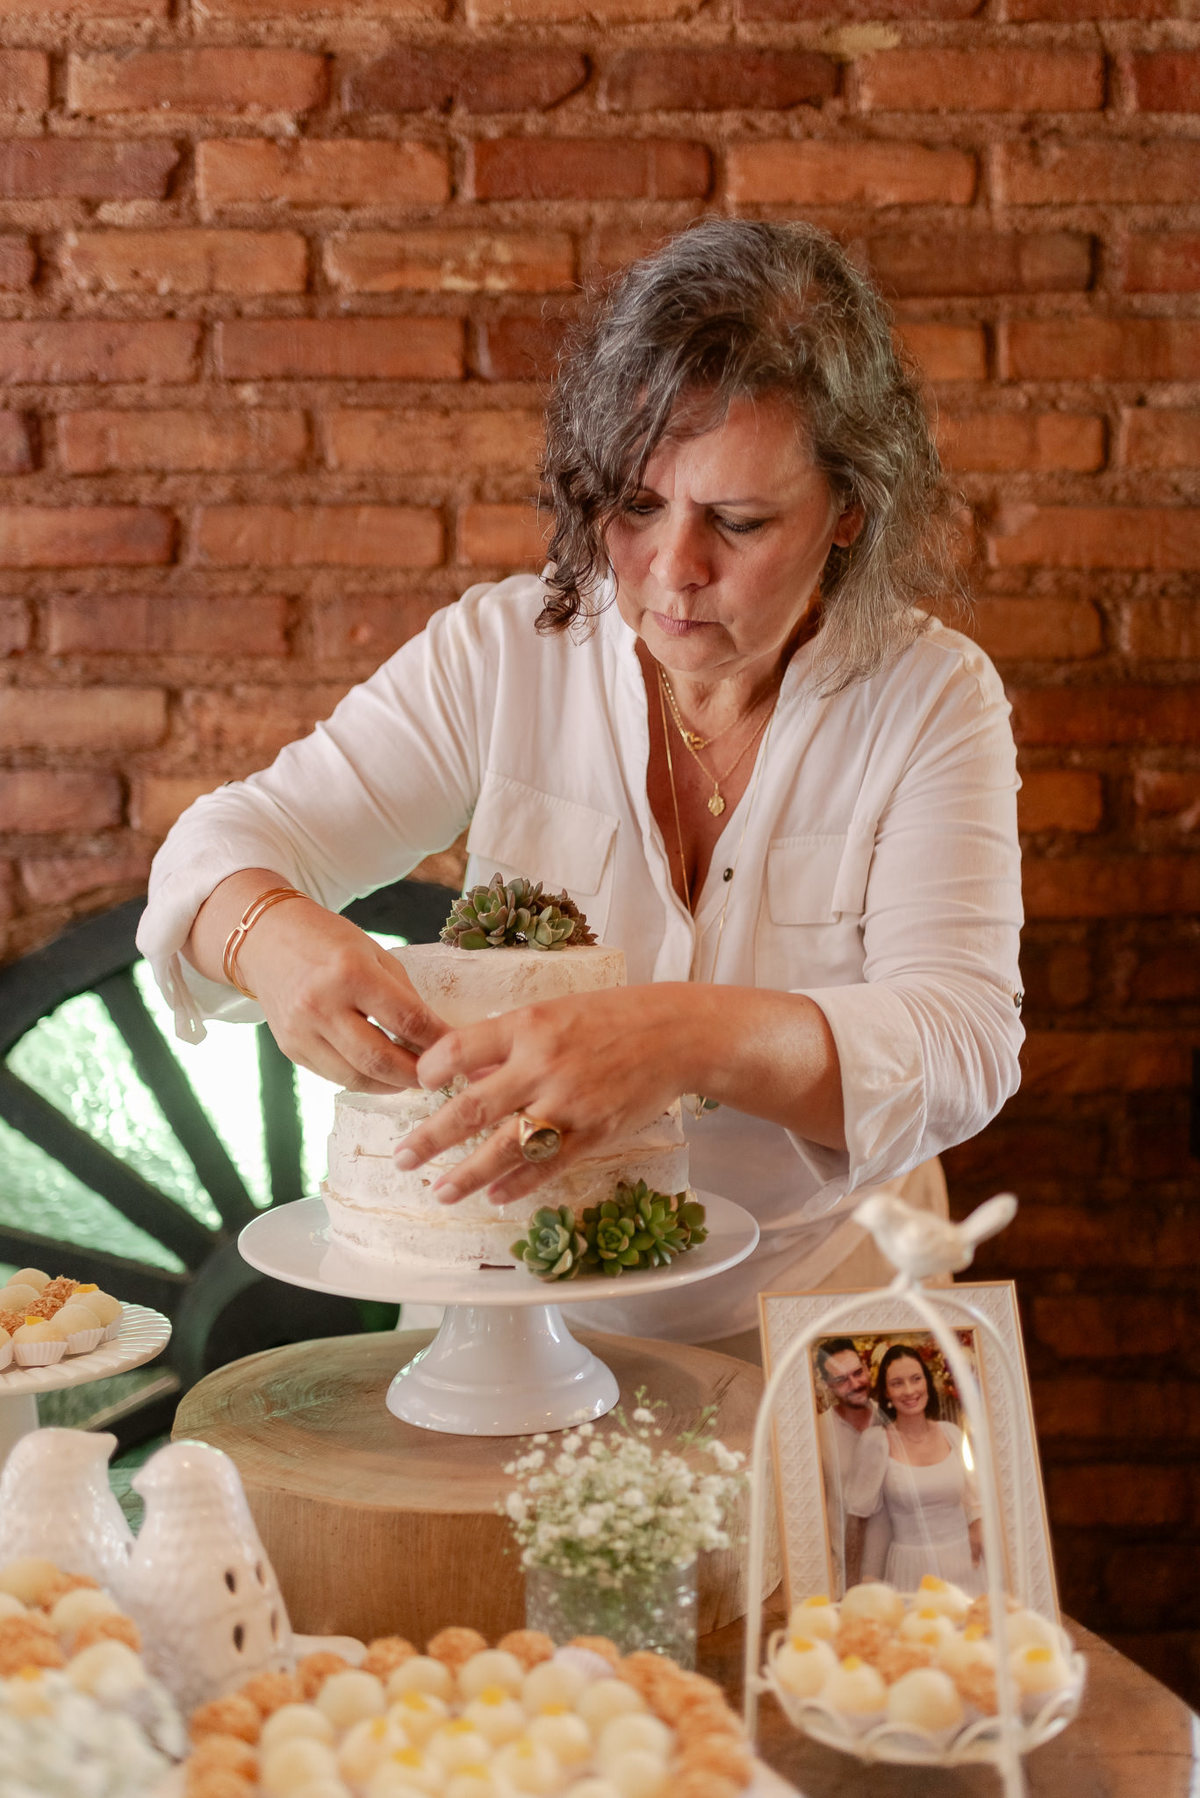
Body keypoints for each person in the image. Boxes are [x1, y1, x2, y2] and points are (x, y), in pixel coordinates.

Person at [136, 217, 1024, 1351]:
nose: (673, 570)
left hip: (817, 1311)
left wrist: (680, 1036)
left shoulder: (931, 697)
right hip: (507, 1324)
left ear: (850, 509)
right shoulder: (504, 655)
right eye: (637, 505)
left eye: (738, 521)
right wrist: (265, 935)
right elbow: (224, 841)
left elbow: (961, 1041)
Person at [844, 1343, 984, 1595]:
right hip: (912, 1569)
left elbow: (976, 1501)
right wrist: (858, 1586)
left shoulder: (952, 1434)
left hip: (965, 1563)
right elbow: (861, 1521)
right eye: (897, 1383)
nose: (909, 1390)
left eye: (916, 1379)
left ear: (927, 1382)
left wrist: (978, 1531)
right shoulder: (876, 1442)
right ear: (886, 1392)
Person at [814, 1338, 888, 1595]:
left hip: (894, 1562)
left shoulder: (890, 1419)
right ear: (827, 1385)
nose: (855, 1384)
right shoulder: (818, 1431)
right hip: (843, 1570)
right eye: (842, 1380)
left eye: (858, 1373)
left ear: (867, 1369)